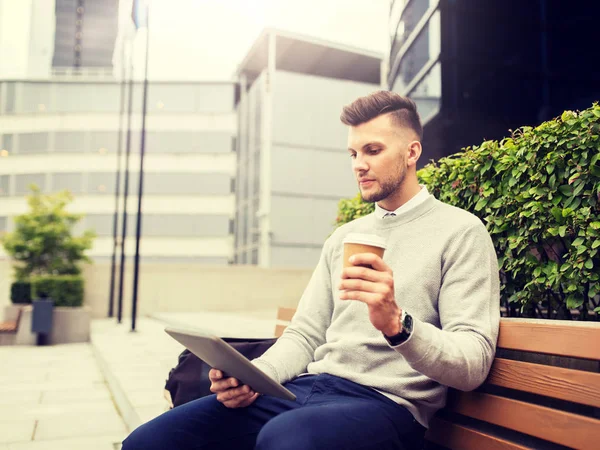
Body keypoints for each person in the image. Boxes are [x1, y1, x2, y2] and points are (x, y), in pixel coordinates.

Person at [122, 91, 500, 450]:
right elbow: (304, 335)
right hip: (308, 389)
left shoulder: (460, 231)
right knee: (150, 441)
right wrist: (255, 377)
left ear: (412, 151)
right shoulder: (345, 237)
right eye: (353, 152)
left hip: (389, 406)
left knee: (286, 438)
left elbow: (473, 363)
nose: (359, 165)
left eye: (373, 150)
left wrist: (397, 324)